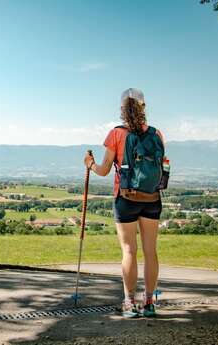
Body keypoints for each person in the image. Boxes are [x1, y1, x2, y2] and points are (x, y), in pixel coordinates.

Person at [84, 88, 165, 318]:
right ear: (144, 107)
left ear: (122, 109)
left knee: (129, 250)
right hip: (152, 198)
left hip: (125, 199)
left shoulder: (116, 134)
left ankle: (129, 303)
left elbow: (104, 170)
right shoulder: (156, 134)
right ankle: (149, 303)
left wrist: (89, 164)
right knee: (151, 251)